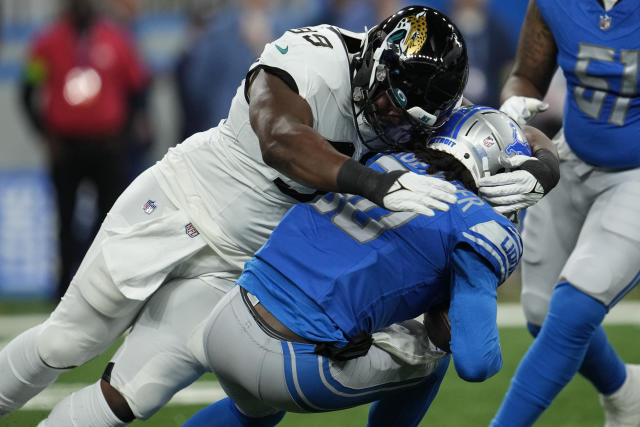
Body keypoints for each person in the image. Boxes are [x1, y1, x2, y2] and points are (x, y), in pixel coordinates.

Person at [0, 5, 468, 424]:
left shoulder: (424, 117)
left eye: (409, 116)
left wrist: (540, 158)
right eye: (388, 97)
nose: (389, 115)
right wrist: (377, 184)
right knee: (70, 341)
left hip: (241, 267)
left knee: (130, 395)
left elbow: (497, 144)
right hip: (181, 202)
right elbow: (280, 137)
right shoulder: (317, 56)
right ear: (375, 56)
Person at [181, 105, 537, 427]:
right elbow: (477, 362)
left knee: (251, 416)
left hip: (228, 315)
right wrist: (449, 320)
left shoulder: (382, 158)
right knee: (430, 355)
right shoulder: (478, 225)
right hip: (285, 360)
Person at [486, 1, 640, 426]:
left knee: (574, 308)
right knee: (540, 312)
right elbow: (527, 75)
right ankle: (626, 392)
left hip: (636, 174)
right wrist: (514, 107)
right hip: (572, 156)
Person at [20, 0, 151, 299]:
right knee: (64, 219)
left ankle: (103, 285)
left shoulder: (116, 39)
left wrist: (124, 133)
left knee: (110, 218)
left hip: (107, 146)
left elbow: (137, 90)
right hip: (66, 148)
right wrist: (45, 135)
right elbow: (27, 90)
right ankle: (63, 289)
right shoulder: (47, 42)